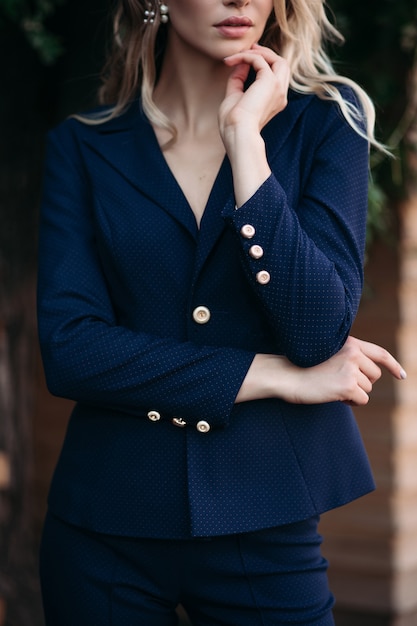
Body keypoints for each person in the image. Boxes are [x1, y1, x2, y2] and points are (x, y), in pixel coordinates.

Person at [37, 0, 407, 624]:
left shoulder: (328, 124)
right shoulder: (82, 146)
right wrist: (271, 376)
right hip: (105, 524)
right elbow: (71, 350)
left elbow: (318, 330)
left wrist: (246, 147)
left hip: (267, 521)